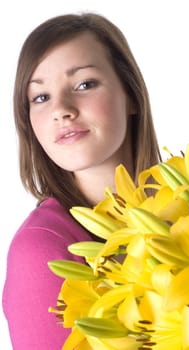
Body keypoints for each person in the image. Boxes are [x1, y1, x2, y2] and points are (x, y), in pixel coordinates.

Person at [2, 12, 161, 349]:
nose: (61, 108)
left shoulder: (180, 217)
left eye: (84, 84)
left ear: (130, 94)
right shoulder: (42, 248)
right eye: (41, 97)